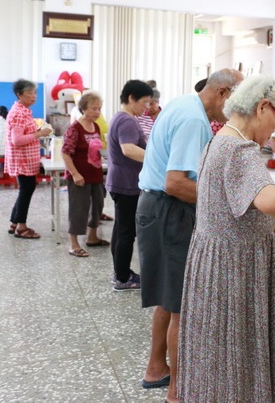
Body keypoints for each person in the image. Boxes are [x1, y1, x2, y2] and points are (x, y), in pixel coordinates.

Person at [177, 75, 275, 401]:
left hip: (214, 262)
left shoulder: (218, 140)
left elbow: (237, 208)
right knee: (235, 354)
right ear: (263, 107)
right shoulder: (239, 148)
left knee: (216, 354)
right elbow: (267, 198)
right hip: (233, 269)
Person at [136, 68, 243, 402]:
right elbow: (177, 182)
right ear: (224, 93)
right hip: (169, 211)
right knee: (183, 306)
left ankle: (156, 368)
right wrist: (226, 201)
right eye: (237, 103)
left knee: (168, 301)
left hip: (154, 207)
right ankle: (177, 391)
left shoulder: (183, 103)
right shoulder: (194, 120)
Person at [108, 80, 153, 289]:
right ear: (131, 98)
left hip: (119, 180)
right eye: (143, 102)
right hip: (127, 183)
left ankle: (120, 271)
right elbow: (128, 149)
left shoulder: (120, 117)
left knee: (120, 229)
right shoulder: (128, 121)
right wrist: (156, 159)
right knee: (127, 232)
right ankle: (123, 278)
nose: (146, 107)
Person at [61, 91, 107, 257]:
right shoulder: (75, 128)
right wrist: (74, 174)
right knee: (78, 209)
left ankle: (92, 238)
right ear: (83, 109)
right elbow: (65, 153)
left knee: (97, 206)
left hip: (95, 173)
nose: (97, 112)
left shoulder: (95, 126)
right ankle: (73, 244)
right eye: (94, 108)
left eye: (99, 109)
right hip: (79, 176)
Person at [5, 79, 52, 239]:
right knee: (26, 190)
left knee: (25, 190)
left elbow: (24, 133)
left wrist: (37, 130)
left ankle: (14, 222)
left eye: (35, 93)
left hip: (26, 159)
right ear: (20, 94)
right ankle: (21, 227)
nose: (34, 97)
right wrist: (39, 134)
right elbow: (17, 140)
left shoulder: (24, 110)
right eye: (30, 93)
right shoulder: (19, 113)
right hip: (22, 159)